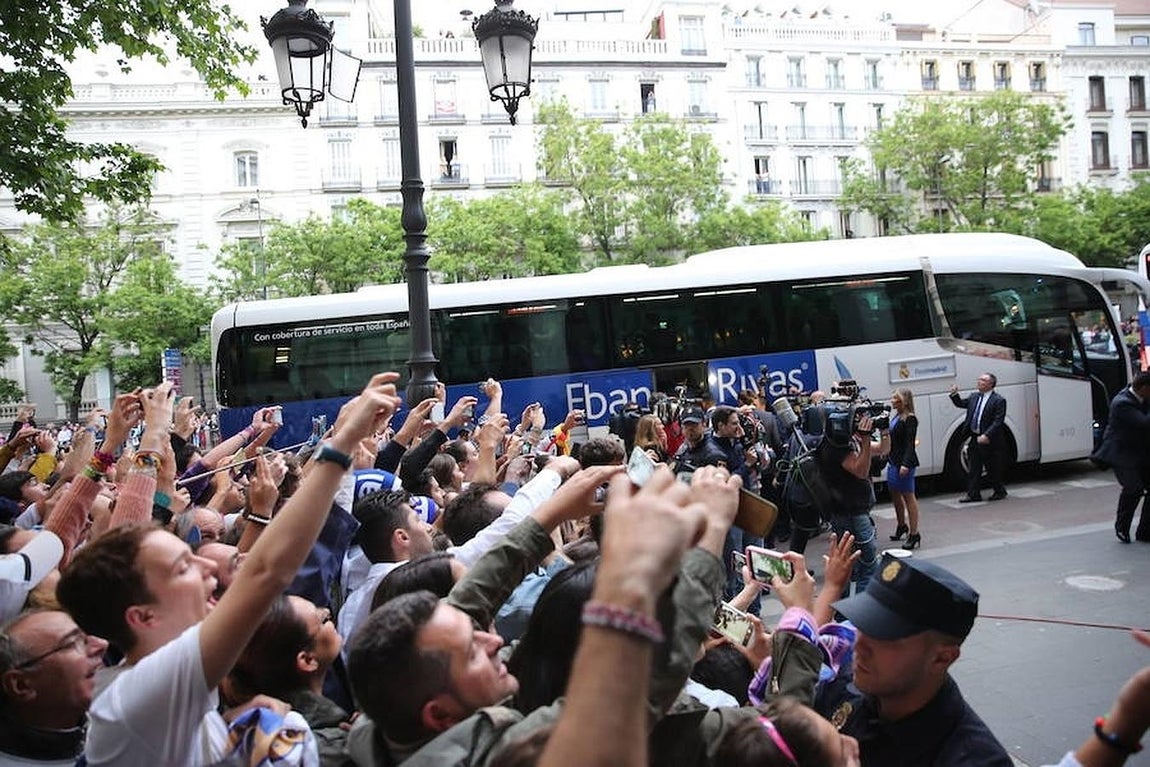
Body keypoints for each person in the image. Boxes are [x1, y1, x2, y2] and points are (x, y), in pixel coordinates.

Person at [56, 373, 402, 766]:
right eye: (183, 566)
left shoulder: (156, 682)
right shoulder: (138, 695)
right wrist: (342, 443)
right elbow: (267, 571)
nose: (207, 567)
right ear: (142, 616)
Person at [816, 552, 1012, 766]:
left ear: (941, 658)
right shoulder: (844, 685)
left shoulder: (974, 759)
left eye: (884, 636)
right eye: (862, 625)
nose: (859, 646)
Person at [0, 609, 108, 765]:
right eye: (72, 643)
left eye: (86, 637)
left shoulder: (119, 727)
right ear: (21, 685)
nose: (102, 644)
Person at [816, 412, 887, 592]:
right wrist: (865, 438)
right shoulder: (835, 446)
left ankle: (844, 614)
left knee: (847, 566)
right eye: (855, 417)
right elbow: (861, 471)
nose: (858, 420)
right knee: (868, 565)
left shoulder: (844, 440)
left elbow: (883, 449)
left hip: (850, 511)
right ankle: (859, 613)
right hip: (850, 513)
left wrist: (884, 429)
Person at [1092, 371, 1150, 543]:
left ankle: (1145, 531)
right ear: (1144, 388)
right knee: (1134, 488)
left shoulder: (1144, 398)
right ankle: (1122, 527)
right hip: (1122, 453)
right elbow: (1143, 423)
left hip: (1141, 452)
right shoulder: (1122, 403)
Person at [950, 373, 1008, 502]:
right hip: (975, 438)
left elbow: (998, 421)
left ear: (990, 384)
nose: (979, 381)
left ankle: (999, 491)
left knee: (992, 467)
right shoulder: (974, 397)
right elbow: (961, 403)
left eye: (983, 380)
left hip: (989, 440)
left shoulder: (998, 400)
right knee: (974, 467)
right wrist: (954, 394)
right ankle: (973, 494)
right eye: (979, 379)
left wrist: (987, 435)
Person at [886, 388, 921, 549]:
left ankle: (914, 534)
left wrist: (906, 464)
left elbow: (910, 444)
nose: (892, 400)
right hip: (893, 461)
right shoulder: (896, 416)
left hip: (904, 464)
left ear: (904, 401)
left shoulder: (910, 419)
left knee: (909, 497)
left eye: (895, 398)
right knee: (894, 494)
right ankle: (901, 525)